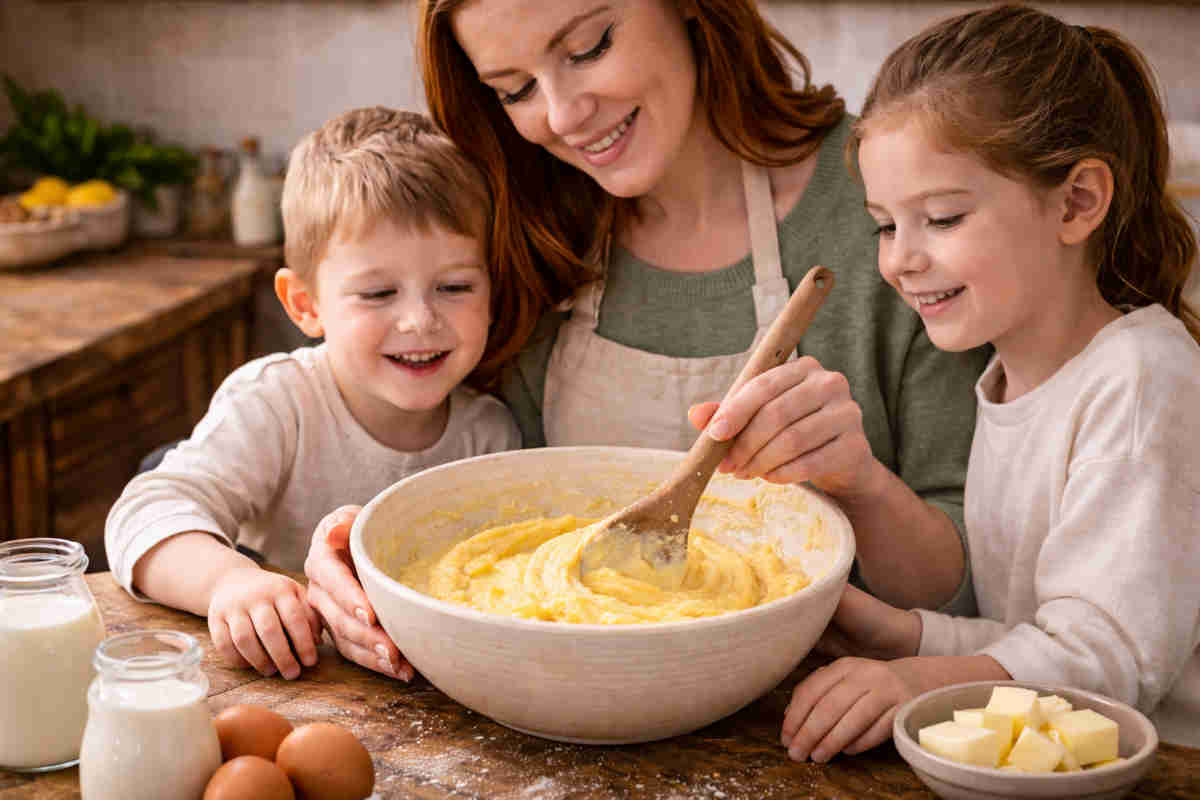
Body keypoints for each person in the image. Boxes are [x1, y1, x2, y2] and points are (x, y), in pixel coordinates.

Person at [304, 0, 991, 681]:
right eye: (515, 89)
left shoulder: (891, 206)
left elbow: (968, 588)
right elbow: (473, 478)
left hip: (835, 720)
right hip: (550, 701)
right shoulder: (523, 225)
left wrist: (863, 486)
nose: (566, 115)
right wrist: (361, 547)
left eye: (590, 47)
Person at [780, 3, 1200, 762]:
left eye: (940, 218)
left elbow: (1108, 665)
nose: (900, 259)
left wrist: (916, 681)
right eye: (884, 224)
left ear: (1077, 203)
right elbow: (1040, 639)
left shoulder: (1141, 381)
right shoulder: (1006, 379)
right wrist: (908, 636)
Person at [104, 107, 523, 682]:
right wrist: (231, 582)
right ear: (305, 304)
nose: (420, 320)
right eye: (378, 293)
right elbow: (142, 515)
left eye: (454, 287)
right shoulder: (278, 403)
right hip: (294, 686)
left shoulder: (490, 434)